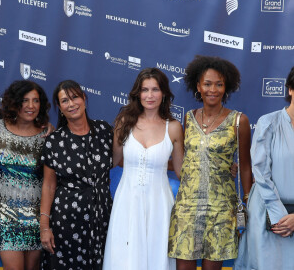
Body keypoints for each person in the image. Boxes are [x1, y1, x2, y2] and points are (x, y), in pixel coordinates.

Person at [168, 55, 253, 270]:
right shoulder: (188, 118)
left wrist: (247, 200)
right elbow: (187, 159)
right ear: (198, 86)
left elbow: (244, 165)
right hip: (187, 207)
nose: (212, 89)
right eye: (207, 84)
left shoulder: (238, 121)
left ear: (227, 87)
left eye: (219, 84)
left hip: (221, 209)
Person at [103, 68, 184, 270]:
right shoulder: (124, 123)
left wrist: (222, 168)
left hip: (160, 205)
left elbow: (183, 171)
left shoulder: (173, 127)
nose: (149, 95)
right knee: (124, 258)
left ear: (163, 93)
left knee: (157, 257)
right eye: (144, 90)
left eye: (155, 89)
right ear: (137, 94)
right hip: (127, 203)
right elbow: (111, 161)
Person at [40, 80, 113, 270]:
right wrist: (44, 227)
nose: (71, 104)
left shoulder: (105, 131)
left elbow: (126, 159)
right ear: (59, 108)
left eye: (74, 97)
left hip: (102, 217)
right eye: (65, 101)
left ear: (84, 99)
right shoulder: (54, 141)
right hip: (67, 220)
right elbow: (48, 186)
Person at [234, 66, 294, 270]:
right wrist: (279, 216)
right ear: (290, 90)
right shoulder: (268, 122)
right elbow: (260, 172)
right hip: (267, 215)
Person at [0, 80, 50, 270]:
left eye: (35, 101)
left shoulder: (47, 136)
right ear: (14, 102)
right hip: (5, 217)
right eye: (25, 100)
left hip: (36, 219)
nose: (31, 106)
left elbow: (51, 181)